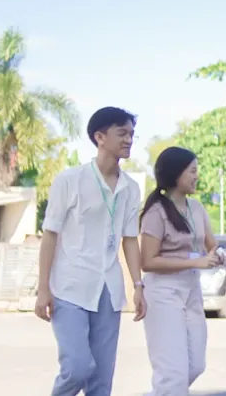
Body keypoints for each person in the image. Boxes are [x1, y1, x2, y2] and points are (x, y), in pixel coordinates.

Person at [35, 106, 146, 396]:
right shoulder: (70, 180)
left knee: (101, 381)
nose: (129, 139)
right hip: (69, 287)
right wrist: (43, 288)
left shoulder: (131, 188)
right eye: (122, 133)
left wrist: (138, 285)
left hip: (109, 290)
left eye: (132, 134)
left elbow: (130, 239)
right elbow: (50, 235)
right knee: (78, 367)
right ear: (100, 137)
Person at [140, 146, 224, 395]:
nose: (197, 176)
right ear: (176, 174)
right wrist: (194, 262)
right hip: (163, 292)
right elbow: (148, 261)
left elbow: (211, 244)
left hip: (191, 290)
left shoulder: (196, 208)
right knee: (172, 373)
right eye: (193, 171)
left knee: (195, 365)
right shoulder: (156, 212)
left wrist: (217, 255)